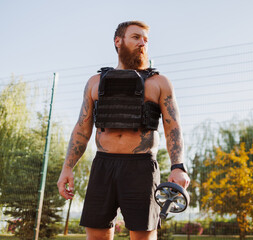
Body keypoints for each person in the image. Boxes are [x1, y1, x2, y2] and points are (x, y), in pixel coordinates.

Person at [57, 20, 190, 240]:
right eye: (136, 37)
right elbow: (82, 127)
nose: (142, 43)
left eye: (146, 40)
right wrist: (67, 167)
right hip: (103, 165)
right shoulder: (95, 82)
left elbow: (173, 127)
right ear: (118, 41)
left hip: (141, 168)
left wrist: (178, 166)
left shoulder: (159, 82)